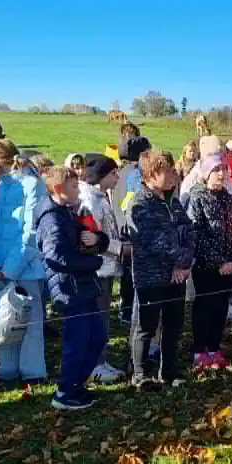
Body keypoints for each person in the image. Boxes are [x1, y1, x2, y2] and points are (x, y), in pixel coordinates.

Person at [35, 167, 110, 409]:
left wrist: (97, 240)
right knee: (77, 340)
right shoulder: (51, 219)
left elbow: (90, 237)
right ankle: (65, 390)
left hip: (84, 286)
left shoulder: (68, 213)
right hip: (68, 288)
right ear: (58, 189)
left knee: (96, 336)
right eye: (74, 187)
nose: (79, 190)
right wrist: (93, 262)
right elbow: (56, 256)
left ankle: (77, 383)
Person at [0, 139, 49, 387]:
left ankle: (32, 370)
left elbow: (30, 232)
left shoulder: (33, 185)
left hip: (26, 268)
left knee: (30, 321)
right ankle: (7, 368)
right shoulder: (1, 186)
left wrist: (10, 268)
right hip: (0, 268)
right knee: (3, 317)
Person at [127, 151, 195, 391]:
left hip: (177, 277)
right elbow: (157, 242)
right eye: (167, 171)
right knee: (146, 326)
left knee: (174, 324)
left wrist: (184, 264)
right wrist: (179, 261)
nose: (173, 175)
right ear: (151, 174)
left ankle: (168, 370)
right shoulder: (140, 205)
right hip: (151, 278)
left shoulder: (173, 203)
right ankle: (140, 373)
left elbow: (189, 231)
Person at [186, 152, 232, 370]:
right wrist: (218, 262)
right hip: (206, 267)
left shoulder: (230, 200)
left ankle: (214, 348)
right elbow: (197, 234)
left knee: (221, 307)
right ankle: (199, 350)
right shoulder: (197, 198)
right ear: (206, 174)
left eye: (224, 169)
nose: (221, 174)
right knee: (204, 307)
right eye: (216, 170)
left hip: (228, 266)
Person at [79, 154, 127, 383]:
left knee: (103, 317)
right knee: (97, 318)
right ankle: (94, 364)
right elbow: (96, 239)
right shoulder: (90, 202)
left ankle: (101, 359)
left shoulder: (101, 198)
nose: (117, 177)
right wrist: (120, 248)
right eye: (113, 173)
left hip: (107, 267)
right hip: (98, 269)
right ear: (101, 176)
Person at [116, 124, 151, 324]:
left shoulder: (125, 173)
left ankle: (128, 307)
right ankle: (128, 309)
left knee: (130, 273)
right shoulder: (132, 176)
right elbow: (127, 202)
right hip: (132, 229)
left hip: (130, 227)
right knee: (131, 273)